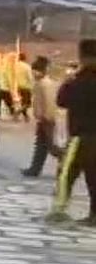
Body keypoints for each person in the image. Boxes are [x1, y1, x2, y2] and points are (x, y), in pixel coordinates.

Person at [49, 39, 96, 224]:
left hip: (80, 136)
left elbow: (62, 101)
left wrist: (70, 79)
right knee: (94, 177)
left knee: (66, 173)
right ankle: (94, 215)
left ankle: (59, 210)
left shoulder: (79, 80)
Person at [22, 56, 63, 178]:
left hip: (47, 119)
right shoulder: (40, 83)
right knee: (41, 146)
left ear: (41, 71)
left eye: (35, 70)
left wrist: (47, 116)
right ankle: (34, 169)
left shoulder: (45, 84)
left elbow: (49, 102)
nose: (33, 73)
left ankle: (67, 162)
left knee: (52, 147)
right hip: (42, 119)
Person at [15, 53, 34, 122]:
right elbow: (30, 77)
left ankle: (26, 117)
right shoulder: (26, 66)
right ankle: (18, 112)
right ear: (25, 58)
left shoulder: (15, 66)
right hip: (26, 86)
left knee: (23, 103)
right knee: (28, 103)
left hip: (18, 86)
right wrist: (32, 84)